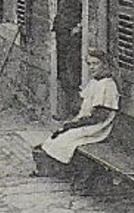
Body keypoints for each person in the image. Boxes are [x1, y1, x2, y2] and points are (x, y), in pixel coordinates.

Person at [34, 48, 119, 186]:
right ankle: (66, 170)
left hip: (97, 127)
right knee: (58, 135)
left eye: (96, 64)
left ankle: (78, 174)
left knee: (66, 139)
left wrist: (75, 124)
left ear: (104, 65)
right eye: (89, 64)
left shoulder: (107, 85)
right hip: (88, 122)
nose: (92, 68)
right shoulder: (95, 82)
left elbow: (100, 116)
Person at [51, 0, 83, 116]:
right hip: (61, 33)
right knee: (62, 69)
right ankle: (68, 106)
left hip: (72, 35)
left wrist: (79, 26)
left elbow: (86, 10)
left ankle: (76, 108)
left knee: (72, 69)